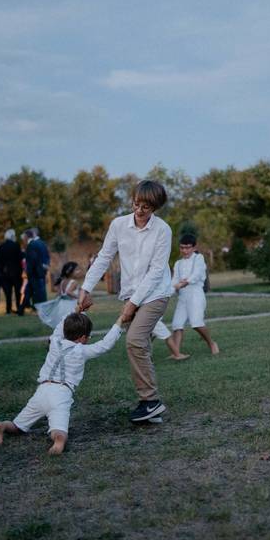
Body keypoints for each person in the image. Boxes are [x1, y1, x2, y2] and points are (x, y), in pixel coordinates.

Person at [78, 180, 174, 423]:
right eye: (136, 204)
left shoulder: (163, 230)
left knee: (134, 340)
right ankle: (151, 410)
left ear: (155, 208)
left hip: (156, 293)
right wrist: (86, 288)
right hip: (131, 292)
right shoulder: (119, 225)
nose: (139, 210)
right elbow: (104, 257)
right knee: (140, 345)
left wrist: (133, 304)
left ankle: (150, 401)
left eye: (146, 207)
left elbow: (155, 271)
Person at [0, 312, 125, 455]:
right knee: (59, 431)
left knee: (17, 426)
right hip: (61, 394)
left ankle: (2, 425)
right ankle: (58, 441)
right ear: (83, 338)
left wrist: (78, 310)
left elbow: (60, 326)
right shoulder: (81, 350)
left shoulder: (54, 341)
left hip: (42, 391)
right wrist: (120, 322)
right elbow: (105, 345)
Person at [167, 233, 219, 360]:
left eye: (188, 247)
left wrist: (185, 282)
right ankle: (176, 353)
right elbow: (174, 280)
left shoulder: (199, 258)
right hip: (182, 297)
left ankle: (211, 343)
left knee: (196, 323)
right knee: (177, 324)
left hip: (196, 294)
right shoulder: (178, 263)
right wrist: (170, 289)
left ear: (195, 247)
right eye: (182, 247)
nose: (184, 250)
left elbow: (196, 274)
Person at [35, 261, 83, 331]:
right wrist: (78, 297)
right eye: (76, 270)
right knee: (75, 319)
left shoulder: (63, 281)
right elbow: (68, 292)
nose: (79, 271)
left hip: (62, 304)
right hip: (71, 304)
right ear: (70, 272)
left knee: (63, 321)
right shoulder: (74, 282)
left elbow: (60, 293)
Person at [18, 228, 51, 315]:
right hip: (39, 271)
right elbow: (46, 257)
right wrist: (45, 268)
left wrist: (28, 272)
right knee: (31, 291)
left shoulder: (32, 245)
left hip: (35, 273)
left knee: (38, 292)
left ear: (26, 236)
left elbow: (32, 260)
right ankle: (22, 309)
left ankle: (39, 309)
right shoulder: (41, 243)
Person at [0, 229, 24, 314]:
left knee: (8, 293)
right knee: (17, 292)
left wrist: (1, 272)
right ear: (13, 236)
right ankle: (19, 308)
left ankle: (8, 309)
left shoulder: (1, 246)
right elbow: (19, 259)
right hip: (16, 272)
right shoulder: (16, 245)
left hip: (5, 273)